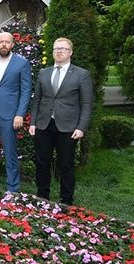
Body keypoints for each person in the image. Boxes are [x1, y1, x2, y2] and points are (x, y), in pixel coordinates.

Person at [29, 37, 93, 205]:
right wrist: (33, 122)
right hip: (44, 124)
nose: (59, 52)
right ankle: (42, 196)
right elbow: (37, 100)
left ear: (70, 52)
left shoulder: (81, 74)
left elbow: (86, 104)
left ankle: (66, 200)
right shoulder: (44, 72)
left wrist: (81, 127)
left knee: (66, 164)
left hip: (68, 127)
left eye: (63, 49)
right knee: (42, 162)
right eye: (56, 49)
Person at [0, 31, 32, 192]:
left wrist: (20, 114)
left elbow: (26, 91)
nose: (4, 44)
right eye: (1, 41)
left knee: (10, 152)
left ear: (12, 44)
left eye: (7, 42)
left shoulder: (22, 63)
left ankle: (12, 188)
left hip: (10, 115)